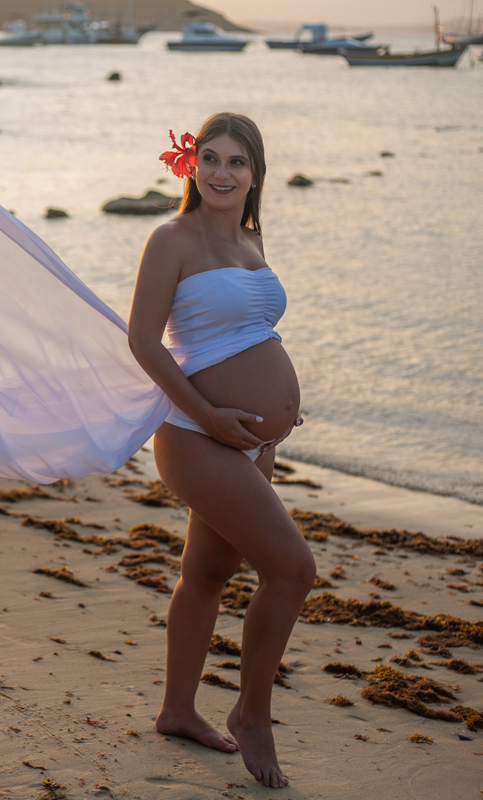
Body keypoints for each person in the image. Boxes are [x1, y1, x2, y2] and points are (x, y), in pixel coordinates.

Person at [127, 112, 316, 789]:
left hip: (252, 442)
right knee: (293, 570)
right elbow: (145, 340)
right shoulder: (170, 238)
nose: (221, 172)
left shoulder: (250, 238)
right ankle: (253, 714)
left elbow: (245, 331)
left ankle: (178, 710)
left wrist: (279, 405)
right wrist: (210, 411)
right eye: (210, 158)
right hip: (195, 433)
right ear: (191, 165)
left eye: (237, 162)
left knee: (206, 576)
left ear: (255, 174)